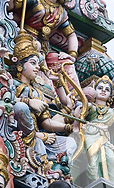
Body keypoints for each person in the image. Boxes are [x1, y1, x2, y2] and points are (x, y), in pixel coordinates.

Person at [10, 30, 78, 162]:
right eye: (33, 63)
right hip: (15, 129)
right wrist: (28, 102)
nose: (37, 68)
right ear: (20, 66)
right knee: (20, 107)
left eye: (37, 64)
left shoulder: (38, 93)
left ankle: (37, 143)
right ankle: (34, 138)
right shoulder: (11, 82)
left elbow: (46, 123)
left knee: (70, 143)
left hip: (39, 134)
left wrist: (69, 127)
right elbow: (2, 98)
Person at [83, 75, 114, 182]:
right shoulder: (89, 107)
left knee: (110, 159)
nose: (103, 91)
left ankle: (109, 185)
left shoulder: (112, 113)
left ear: (110, 94)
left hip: (106, 140)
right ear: (94, 90)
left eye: (107, 90)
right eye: (100, 88)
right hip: (90, 136)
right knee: (93, 162)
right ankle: (94, 185)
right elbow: (79, 116)